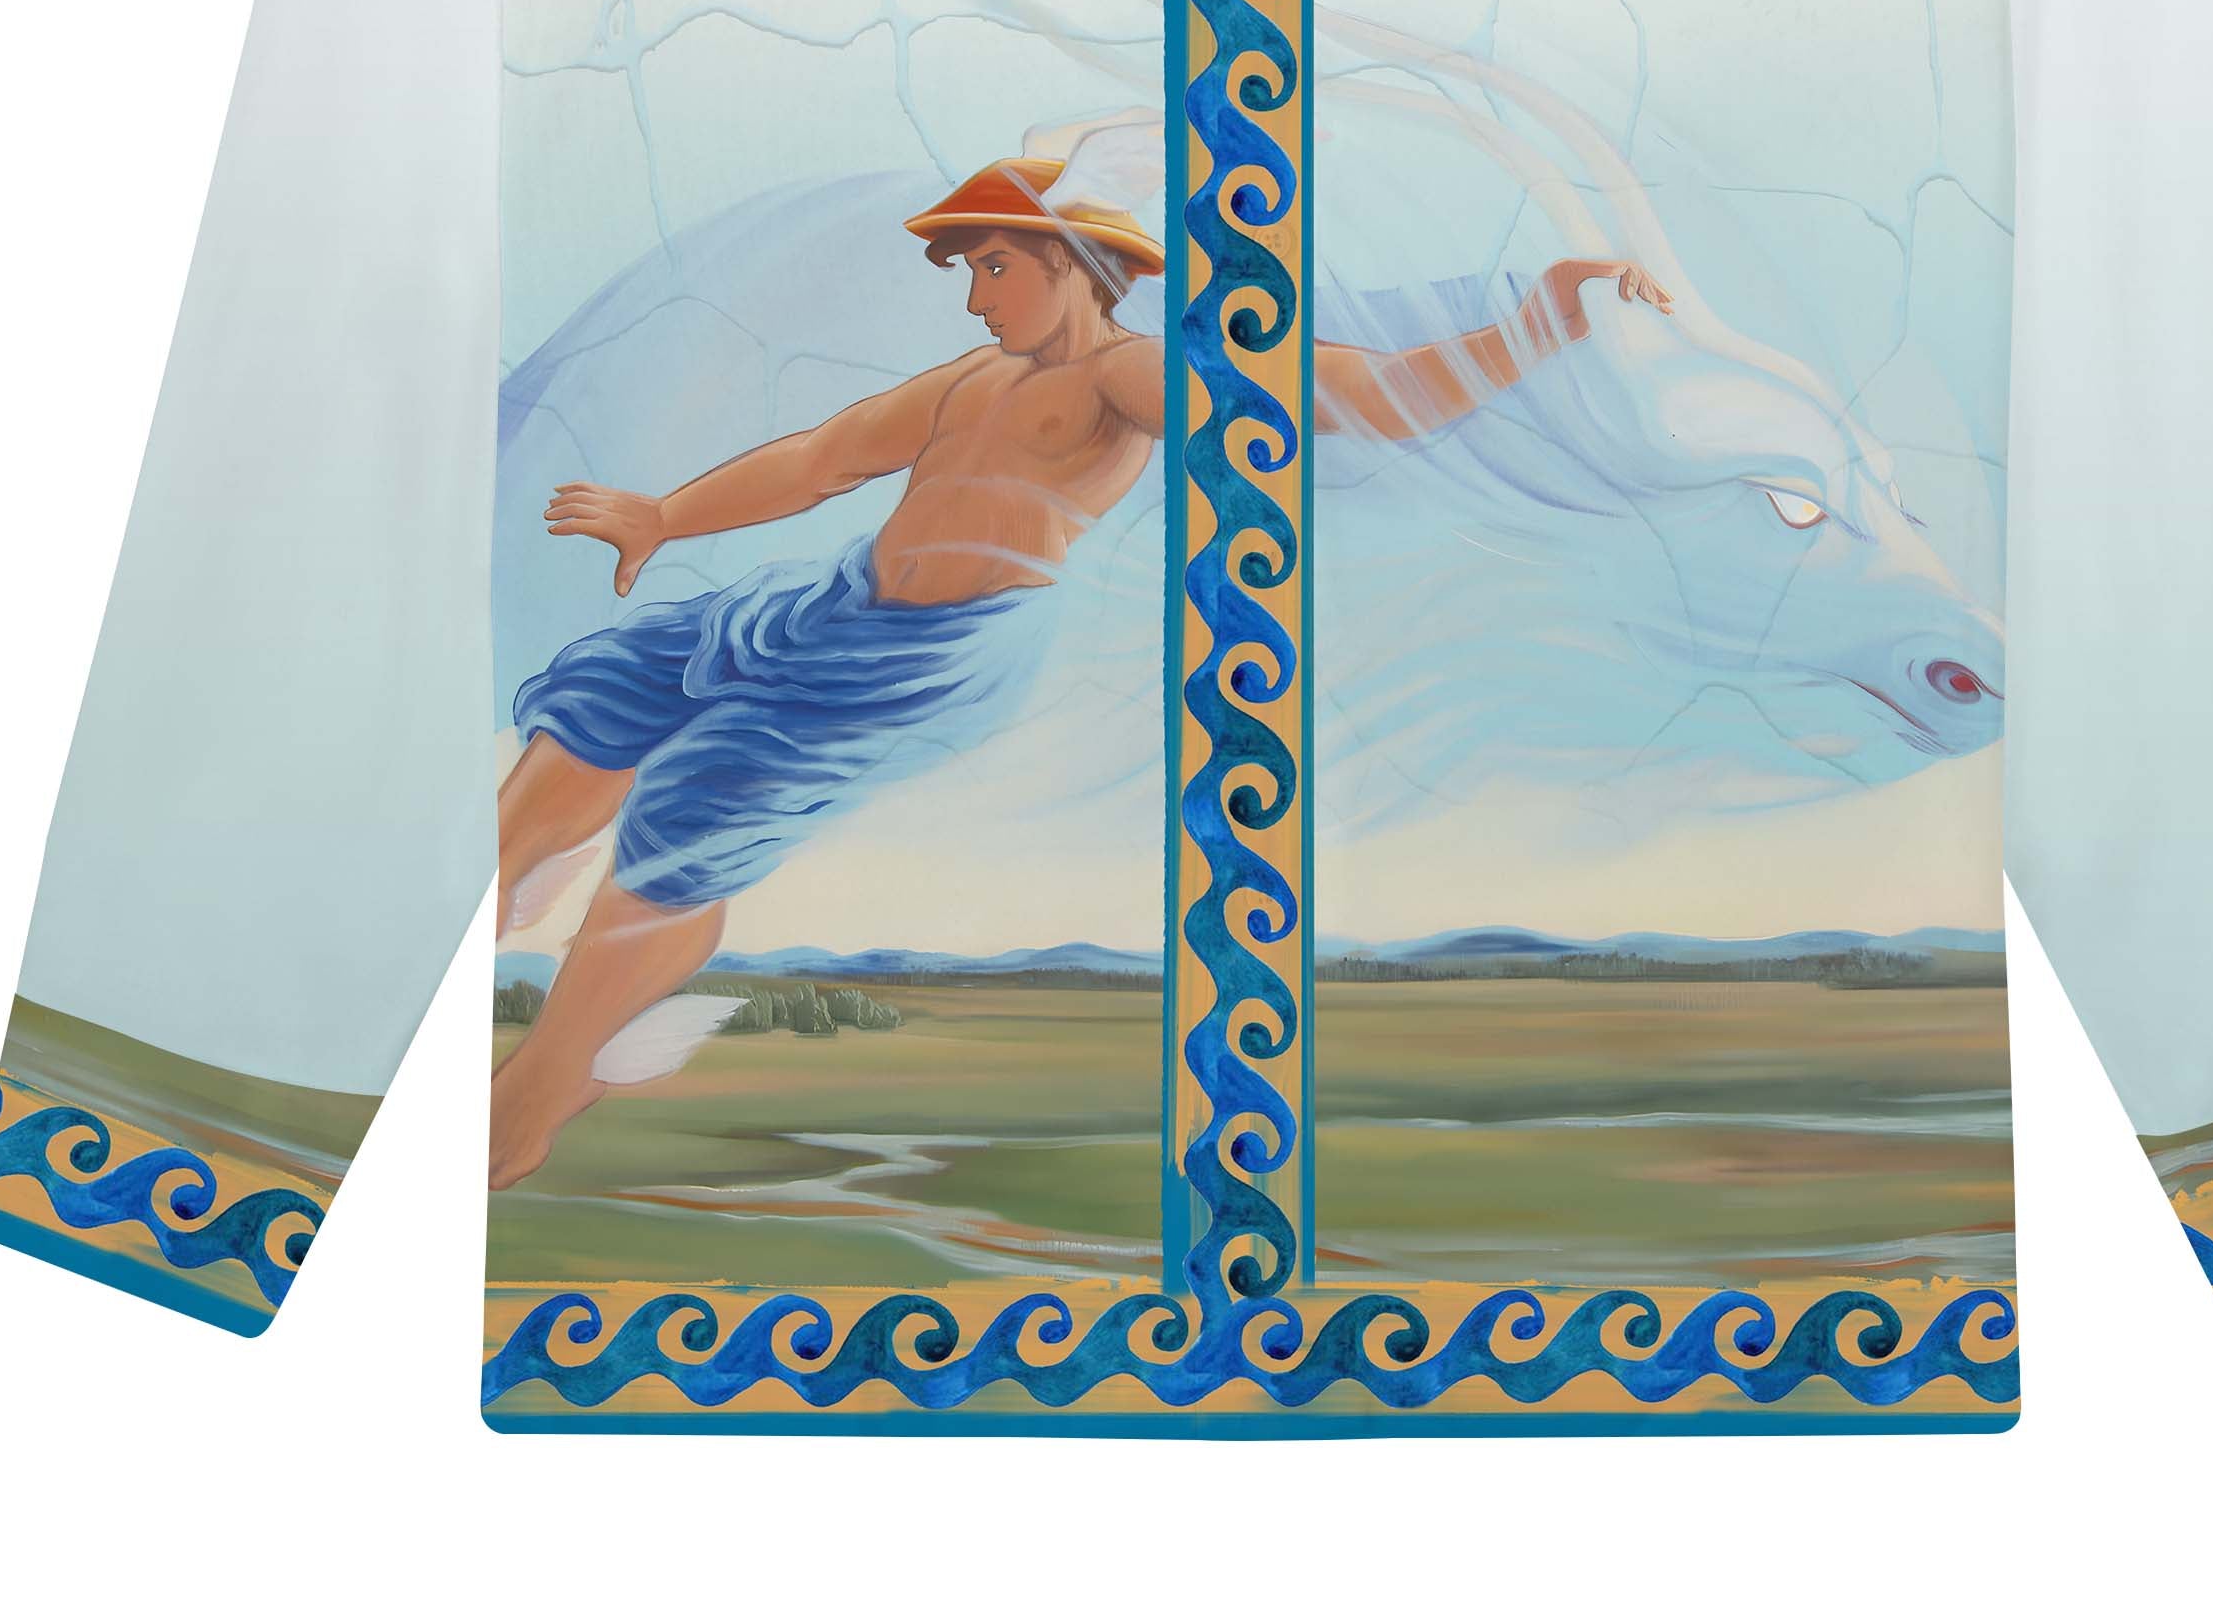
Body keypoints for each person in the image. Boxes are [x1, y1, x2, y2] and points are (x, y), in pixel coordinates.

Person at [488, 153, 1668, 1185]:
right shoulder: (972, 380)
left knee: (690, 817)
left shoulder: (1126, 377)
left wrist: (1545, 322)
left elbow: (1346, 396)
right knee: (612, 683)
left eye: (995, 267)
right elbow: (822, 459)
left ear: (1070, 264)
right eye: (971, 272)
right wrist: (663, 517)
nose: (977, 294)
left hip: (925, 657)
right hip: (831, 602)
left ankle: (539, 1092)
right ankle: (488, 896)